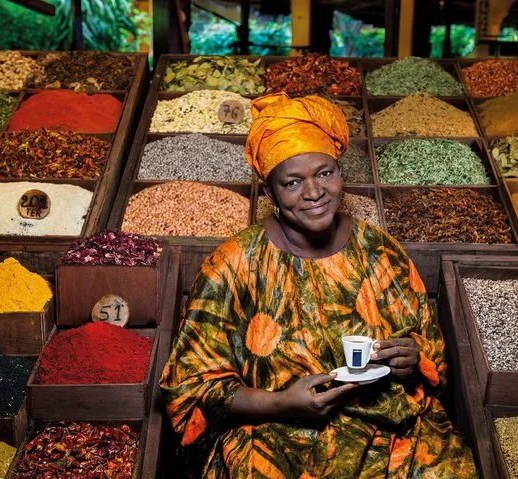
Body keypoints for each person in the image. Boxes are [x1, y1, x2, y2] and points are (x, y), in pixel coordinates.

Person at [160, 92, 477, 478]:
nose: (314, 193)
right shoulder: (233, 264)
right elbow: (189, 387)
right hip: (274, 433)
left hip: (389, 429)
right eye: (292, 182)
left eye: (324, 173)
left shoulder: (380, 251)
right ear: (270, 192)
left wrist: (413, 358)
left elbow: (431, 352)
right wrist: (281, 404)